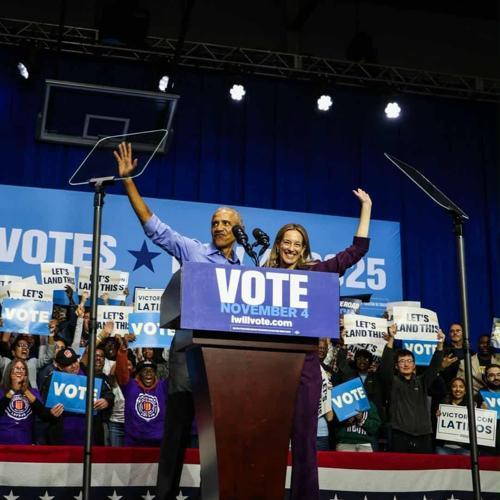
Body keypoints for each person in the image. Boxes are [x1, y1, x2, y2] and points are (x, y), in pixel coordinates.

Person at [114, 142, 242, 499]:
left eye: (226, 223)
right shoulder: (194, 250)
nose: (219, 227)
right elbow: (153, 227)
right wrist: (128, 181)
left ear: (238, 230)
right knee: (177, 431)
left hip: (225, 360)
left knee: (217, 438)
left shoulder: (245, 269)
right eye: (215, 222)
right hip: (188, 354)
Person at [263, 188, 372, 500]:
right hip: (270, 366)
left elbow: (357, 250)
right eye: (287, 242)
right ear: (278, 244)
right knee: (267, 439)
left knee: (304, 440)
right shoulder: (261, 276)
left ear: (304, 249)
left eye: (297, 244)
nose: (291, 248)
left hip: (305, 365)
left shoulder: (316, 272)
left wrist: (366, 207)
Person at [380, 325, 445, 453]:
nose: (406, 364)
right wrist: (391, 339)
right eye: (402, 361)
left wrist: (440, 343)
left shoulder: (422, 381)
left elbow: (434, 367)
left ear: (414, 365)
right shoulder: (393, 382)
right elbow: (385, 366)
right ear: (396, 366)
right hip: (399, 435)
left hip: (424, 436)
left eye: (409, 361)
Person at [0, 359, 57, 444]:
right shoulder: (1, 391)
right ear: (9, 373)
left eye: (23, 369)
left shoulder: (33, 392)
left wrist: (25, 391)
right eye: (17, 368)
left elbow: (42, 414)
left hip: (25, 440)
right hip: (3, 440)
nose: (20, 371)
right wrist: (13, 391)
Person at [435, 377, 469, 455]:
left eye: (461, 387)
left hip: (465, 447)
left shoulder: (472, 406)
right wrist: (437, 419)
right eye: (454, 386)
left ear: (465, 391)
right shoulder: (442, 405)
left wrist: (484, 411)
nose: (458, 389)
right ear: (450, 389)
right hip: (444, 446)